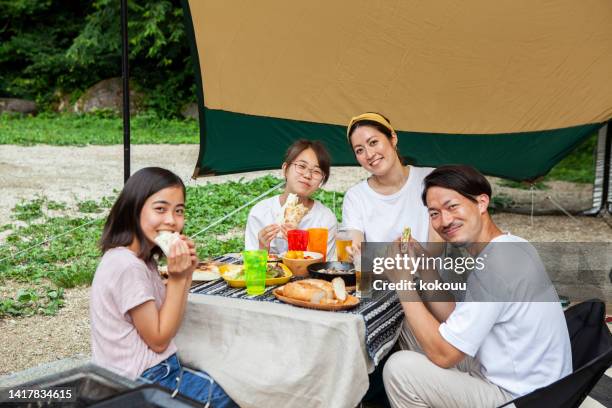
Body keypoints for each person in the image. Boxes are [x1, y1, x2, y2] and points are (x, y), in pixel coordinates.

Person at [382, 165, 572, 407]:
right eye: (434, 214)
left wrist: (403, 283)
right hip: (523, 376)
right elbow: (456, 318)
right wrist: (427, 267)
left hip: (523, 398)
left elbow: (445, 354)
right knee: (410, 325)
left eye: (452, 206)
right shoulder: (510, 245)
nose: (445, 221)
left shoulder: (497, 265)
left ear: (481, 203)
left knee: (400, 370)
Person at [90, 167, 237, 407]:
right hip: (141, 380)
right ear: (133, 209)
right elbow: (158, 340)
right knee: (230, 395)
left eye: (178, 210)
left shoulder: (142, 260)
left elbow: (170, 319)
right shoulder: (127, 266)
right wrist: (178, 279)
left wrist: (187, 271)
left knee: (226, 373)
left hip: (143, 372)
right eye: (160, 209)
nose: (171, 220)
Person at [342, 112, 438, 251]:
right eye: (359, 150)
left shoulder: (432, 178)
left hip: (430, 271)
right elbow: (354, 242)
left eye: (373, 142)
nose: (369, 155)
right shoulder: (356, 196)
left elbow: (438, 246)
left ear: (393, 139)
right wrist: (355, 250)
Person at [245, 139, 337, 257]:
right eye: (301, 166)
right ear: (285, 169)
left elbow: (321, 270)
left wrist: (298, 246)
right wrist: (262, 249)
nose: (307, 175)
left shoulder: (325, 219)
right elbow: (252, 267)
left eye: (316, 171)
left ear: (321, 180)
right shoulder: (260, 212)